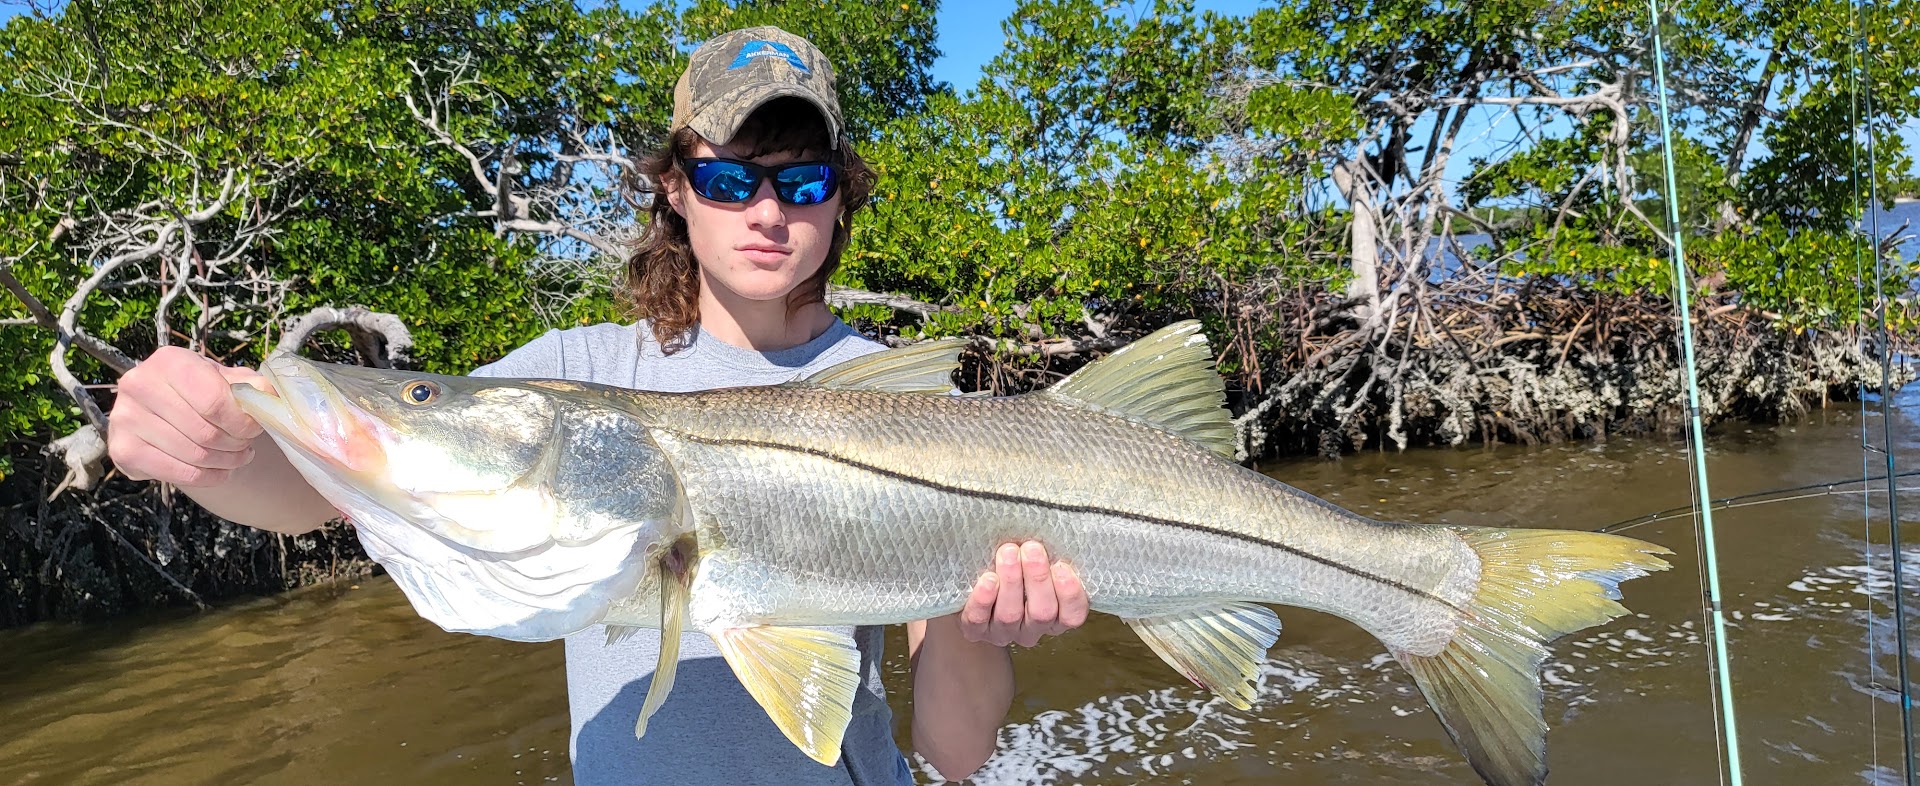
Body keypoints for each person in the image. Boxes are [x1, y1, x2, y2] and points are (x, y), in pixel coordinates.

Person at [105, 25, 1086, 785]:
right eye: (730, 176)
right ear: (676, 189)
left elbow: (953, 758)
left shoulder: (918, 406)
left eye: (804, 179)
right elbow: (322, 492)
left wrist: (976, 616)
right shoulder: (571, 372)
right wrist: (212, 448)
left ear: (839, 200)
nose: (768, 210)